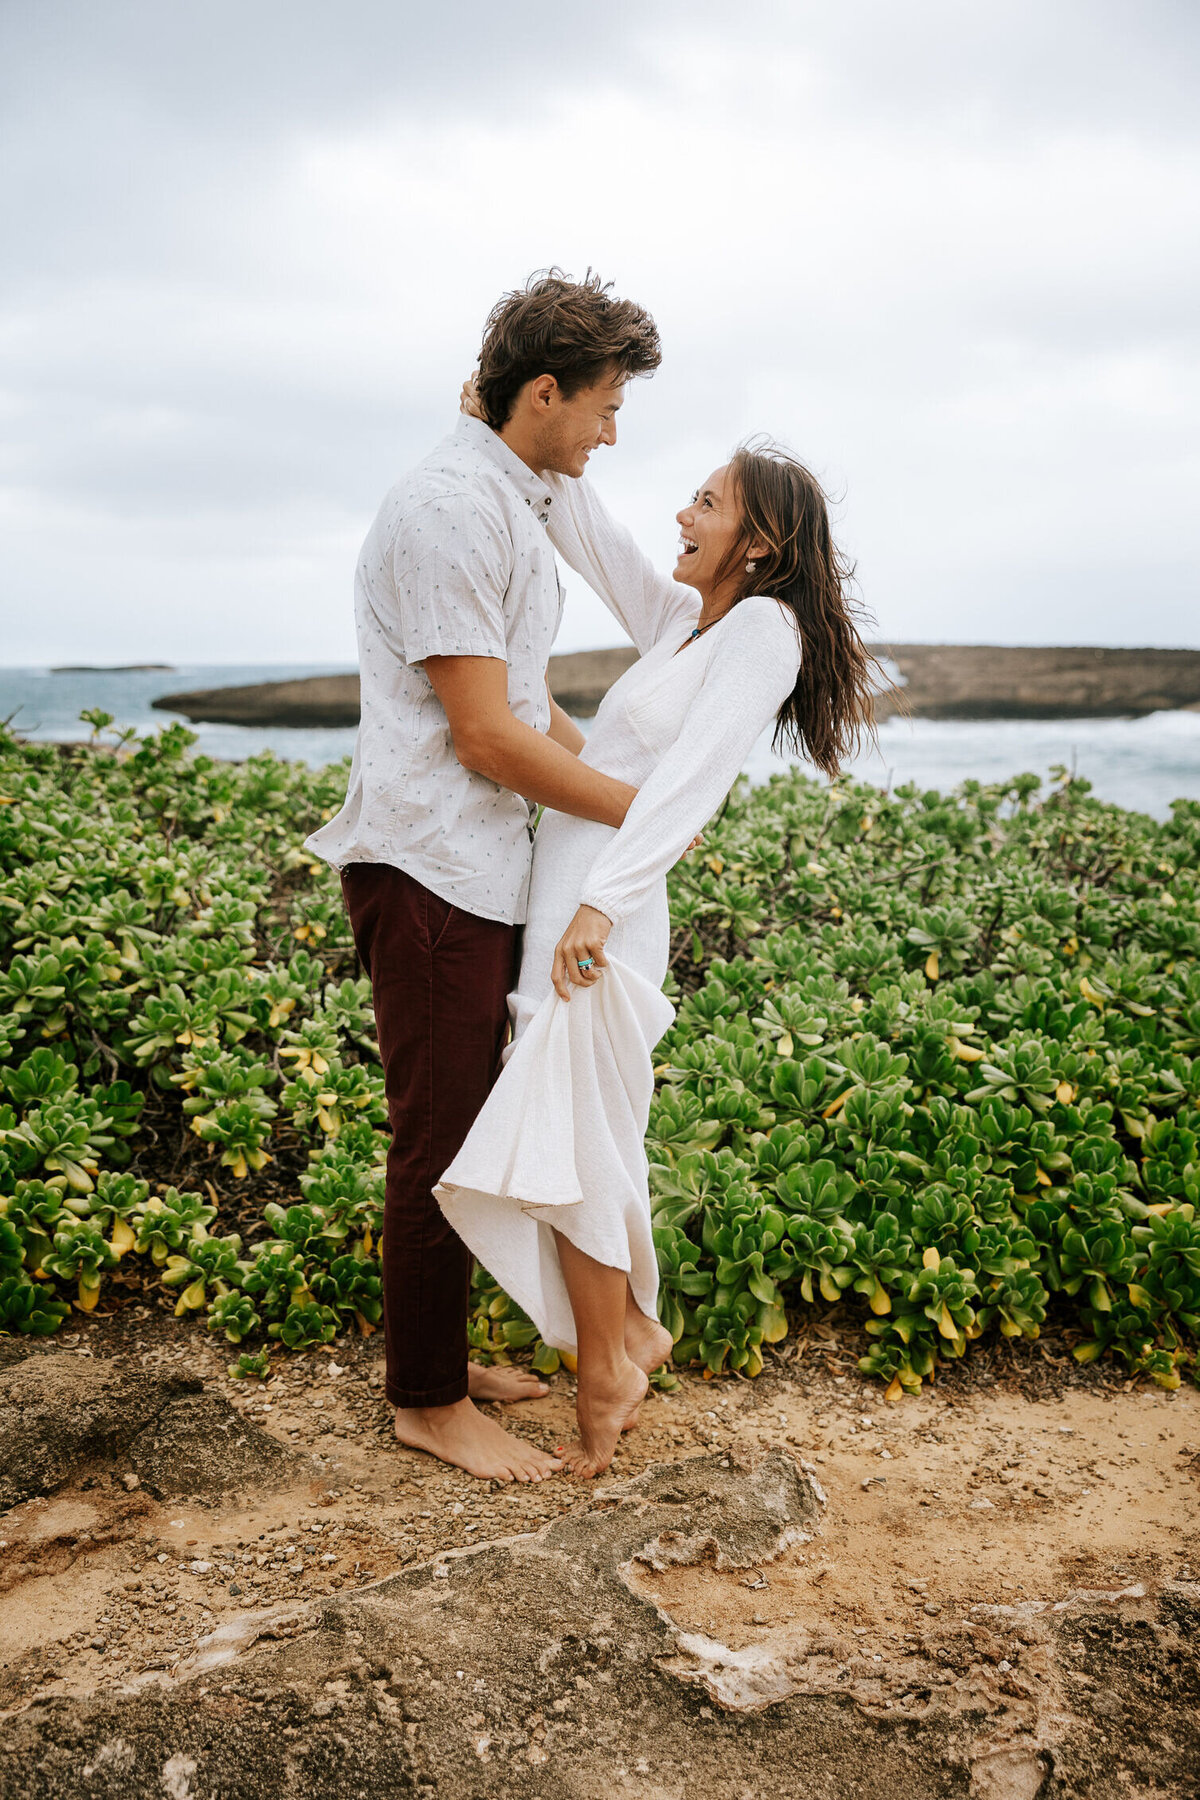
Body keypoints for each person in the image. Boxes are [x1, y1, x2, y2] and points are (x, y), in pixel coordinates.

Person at [437, 409, 879, 1477]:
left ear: (760, 543)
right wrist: (508, 439)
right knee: (576, 1123)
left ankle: (610, 1366)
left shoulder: (765, 635)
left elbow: (695, 783)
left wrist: (604, 901)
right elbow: (595, 539)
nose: (683, 513)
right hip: (574, 884)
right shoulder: (687, 621)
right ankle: (623, 1340)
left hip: (607, 901)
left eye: (709, 503)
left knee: (574, 1124)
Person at [305, 271, 662, 1483]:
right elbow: (484, 739)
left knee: (467, 1122)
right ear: (547, 393)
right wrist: (646, 813)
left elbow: (531, 708)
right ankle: (424, 1400)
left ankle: (445, 1364)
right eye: (608, 407)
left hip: (476, 869)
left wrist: (634, 791)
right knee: (439, 1137)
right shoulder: (452, 509)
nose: (614, 434)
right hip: (428, 869)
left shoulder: (512, 494)